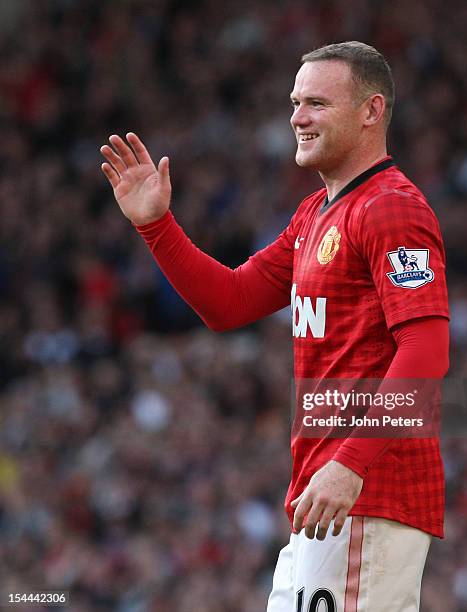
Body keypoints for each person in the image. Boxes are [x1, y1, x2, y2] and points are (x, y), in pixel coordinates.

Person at [100, 41, 449, 612]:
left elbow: (427, 352)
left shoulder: (390, 208)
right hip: (325, 501)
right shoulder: (315, 215)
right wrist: (156, 225)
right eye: (294, 103)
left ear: (371, 110)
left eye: (316, 103)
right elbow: (230, 303)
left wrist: (350, 464)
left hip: (368, 495)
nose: (297, 118)